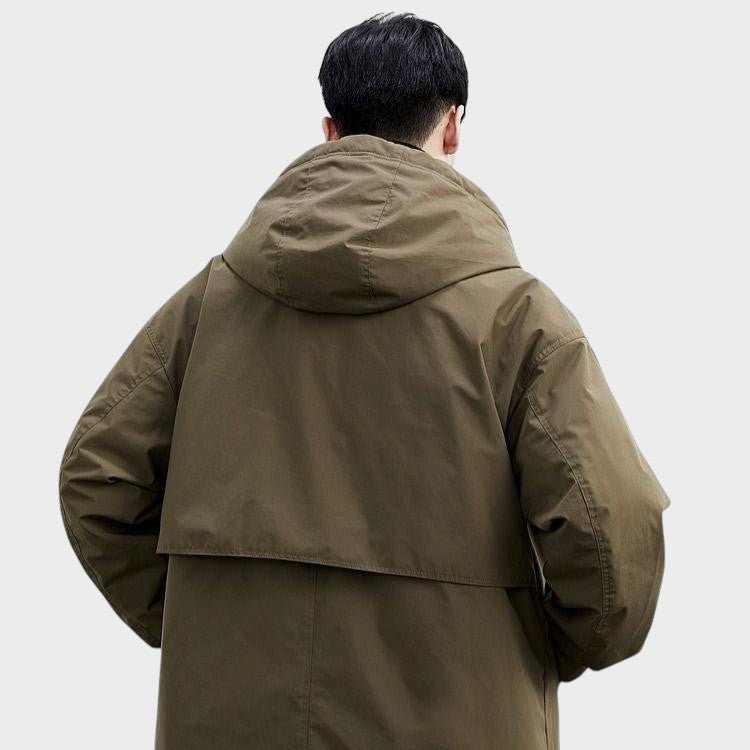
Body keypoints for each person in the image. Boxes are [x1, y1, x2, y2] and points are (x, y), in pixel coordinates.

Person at [58, 12, 670, 750]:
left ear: (330, 131)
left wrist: (206, 619)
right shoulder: (518, 317)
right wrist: (543, 646)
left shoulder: (210, 304)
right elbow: (612, 535)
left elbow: (96, 478)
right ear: (453, 127)